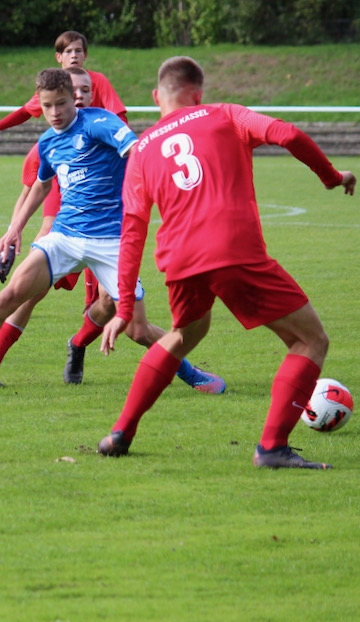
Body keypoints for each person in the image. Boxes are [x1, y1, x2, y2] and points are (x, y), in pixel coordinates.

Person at [96, 56, 355, 469]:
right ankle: (272, 448)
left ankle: (120, 433)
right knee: (310, 340)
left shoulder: (141, 149)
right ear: (198, 93)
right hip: (232, 250)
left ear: (155, 96)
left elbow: (132, 231)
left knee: (185, 333)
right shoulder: (226, 114)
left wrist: (124, 309)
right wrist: (330, 176)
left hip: (180, 260)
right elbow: (287, 134)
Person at [0, 68, 217, 397]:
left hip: (111, 242)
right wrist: (14, 229)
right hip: (65, 237)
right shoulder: (47, 143)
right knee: (10, 295)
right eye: (47, 106)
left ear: (73, 98)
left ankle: (192, 373)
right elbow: (42, 185)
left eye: (61, 104)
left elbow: (138, 152)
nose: (54, 113)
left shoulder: (100, 123)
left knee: (137, 329)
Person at [0, 30, 127, 156]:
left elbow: (119, 115)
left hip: (94, 146)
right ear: (58, 57)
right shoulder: (53, 84)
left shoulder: (98, 80)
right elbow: (25, 112)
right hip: (64, 143)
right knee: (34, 161)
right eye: (68, 51)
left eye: (78, 51)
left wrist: (124, 143)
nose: (74, 55)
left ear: (85, 55)